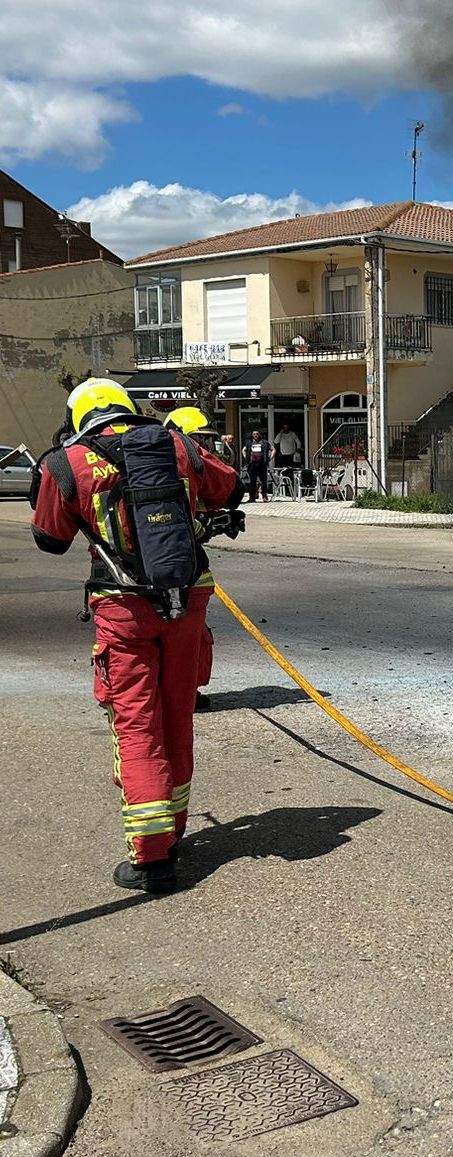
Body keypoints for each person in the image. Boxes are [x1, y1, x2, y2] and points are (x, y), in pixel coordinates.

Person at [32, 378, 243, 894]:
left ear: (77, 415)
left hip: (123, 607)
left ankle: (151, 860)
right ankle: (172, 833)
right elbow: (230, 486)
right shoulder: (176, 443)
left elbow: (49, 539)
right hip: (188, 599)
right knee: (176, 716)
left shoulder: (69, 461)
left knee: (136, 724)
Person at [164, 407, 226, 713]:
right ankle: (182, 692)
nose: (205, 449)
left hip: (143, 573)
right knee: (186, 637)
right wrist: (208, 526)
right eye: (199, 441)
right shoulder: (175, 467)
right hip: (180, 570)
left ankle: (177, 691)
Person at [242, 430, 272, 502]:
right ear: (252, 435)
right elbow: (243, 450)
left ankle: (264, 496)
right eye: (254, 434)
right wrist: (246, 458)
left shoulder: (264, 442)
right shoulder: (249, 442)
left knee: (263, 480)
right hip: (252, 464)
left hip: (262, 464)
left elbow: (273, 449)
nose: (255, 435)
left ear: (259, 435)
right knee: (252, 481)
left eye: (257, 434)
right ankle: (252, 497)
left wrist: (269, 458)